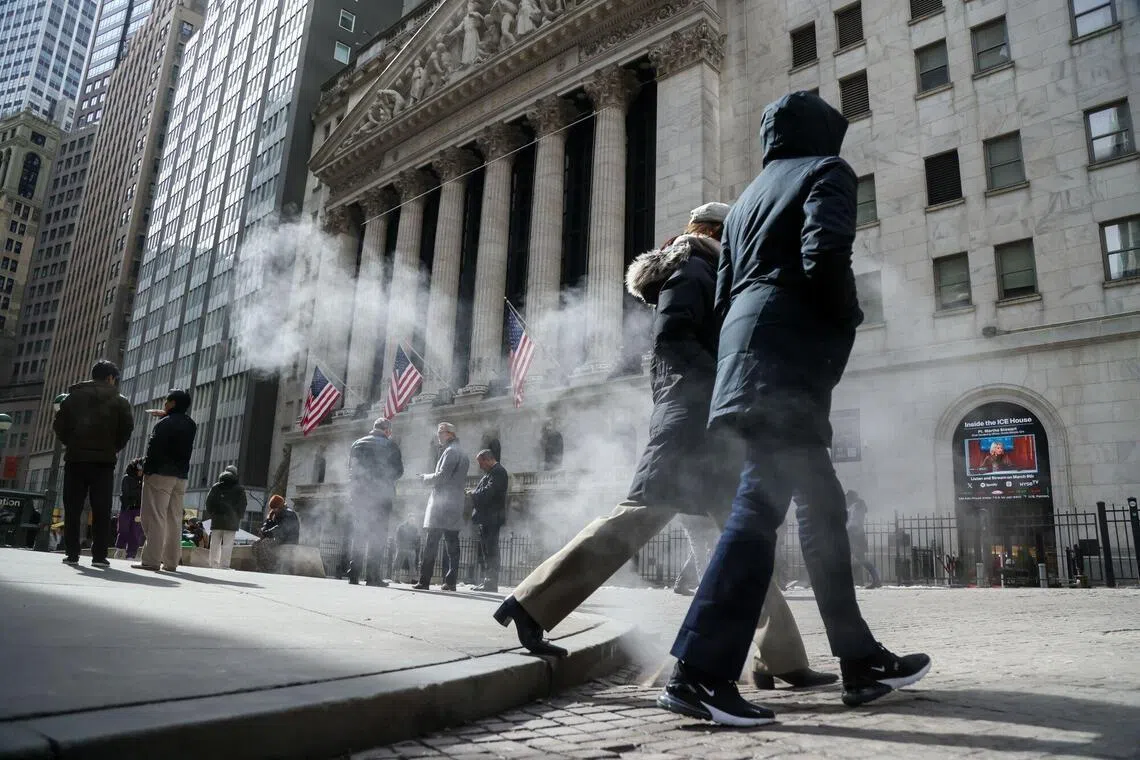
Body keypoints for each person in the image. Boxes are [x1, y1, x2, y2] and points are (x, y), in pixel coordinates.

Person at [660, 92, 930, 726]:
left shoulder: (747, 198)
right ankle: (698, 672)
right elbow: (826, 252)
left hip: (748, 357)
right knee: (758, 509)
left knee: (823, 506)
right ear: (821, 133)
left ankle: (859, 660)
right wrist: (846, 316)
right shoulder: (826, 170)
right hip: (786, 361)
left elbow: (725, 295)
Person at [495, 202, 835, 692]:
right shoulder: (691, 267)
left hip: (709, 420)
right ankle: (530, 604)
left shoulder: (707, 271)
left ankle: (780, 656)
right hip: (690, 422)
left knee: (746, 538)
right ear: (716, 232)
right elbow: (673, 340)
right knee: (638, 518)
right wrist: (726, 381)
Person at [52, 359, 135, 567]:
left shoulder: (73, 397)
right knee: (102, 508)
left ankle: (72, 554)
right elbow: (126, 429)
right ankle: (99, 556)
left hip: (76, 459)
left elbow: (59, 425)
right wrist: (113, 447)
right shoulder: (120, 401)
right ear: (110, 378)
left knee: (72, 508)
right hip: (103, 462)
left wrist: (72, 443)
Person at [133, 389, 197, 572]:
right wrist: (167, 416)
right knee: (174, 519)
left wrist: (145, 470)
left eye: (167, 401)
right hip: (180, 476)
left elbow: (154, 450)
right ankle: (171, 562)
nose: (164, 403)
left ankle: (151, 560)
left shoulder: (164, 424)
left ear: (173, 403)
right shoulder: (191, 424)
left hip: (159, 475)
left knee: (155, 516)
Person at [346, 418, 404, 586]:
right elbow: (398, 471)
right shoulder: (391, 445)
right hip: (381, 496)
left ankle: (353, 573)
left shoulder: (357, 443)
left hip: (359, 495)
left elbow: (351, 468)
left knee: (359, 533)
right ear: (387, 430)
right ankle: (372, 577)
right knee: (378, 535)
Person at [414, 422, 469, 591]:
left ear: (450, 434)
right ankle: (451, 582)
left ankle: (424, 581)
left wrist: (425, 477)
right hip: (455, 503)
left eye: (441, 432)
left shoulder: (451, 451)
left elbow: (442, 476)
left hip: (442, 504)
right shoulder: (462, 452)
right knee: (452, 545)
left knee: (431, 543)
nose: (438, 436)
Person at [468, 449, 508, 592]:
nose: (480, 466)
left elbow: (489, 492)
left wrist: (473, 493)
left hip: (492, 517)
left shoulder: (498, 472)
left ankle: (491, 583)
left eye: (481, 463)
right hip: (487, 518)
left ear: (488, 459)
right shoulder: (492, 472)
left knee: (491, 551)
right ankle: (487, 581)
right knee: (486, 551)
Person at [204, 465, 247, 569]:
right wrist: (238, 516)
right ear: (235, 474)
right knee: (228, 544)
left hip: (217, 519)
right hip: (232, 521)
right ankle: (224, 565)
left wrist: (212, 513)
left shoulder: (216, 487)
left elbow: (208, 502)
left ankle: (213, 564)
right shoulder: (239, 489)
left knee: (215, 543)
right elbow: (243, 504)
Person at [253, 494, 301, 573]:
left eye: (275, 508)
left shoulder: (289, 514)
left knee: (265, 543)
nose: (274, 510)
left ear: (280, 506)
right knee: (256, 544)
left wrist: (267, 533)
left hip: (288, 539)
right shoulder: (273, 514)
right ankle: (261, 567)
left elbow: (281, 529)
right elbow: (267, 524)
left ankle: (272, 567)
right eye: (272, 508)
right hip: (278, 537)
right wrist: (263, 531)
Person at [846, 490, 881, 589]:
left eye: (847, 498)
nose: (846, 500)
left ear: (851, 498)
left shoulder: (855, 507)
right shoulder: (857, 506)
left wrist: (849, 531)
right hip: (856, 534)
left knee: (860, 558)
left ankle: (876, 580)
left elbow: (854, 522)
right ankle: (875, 579)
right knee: (859, 558)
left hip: (854, 535)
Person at [115, 457, 145, 560]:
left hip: (138, 510)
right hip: (127, 509)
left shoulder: (144, 480)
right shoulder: (127, 478)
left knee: (135, 532)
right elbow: (126, 494)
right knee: (123, 529)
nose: (141, 472)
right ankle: (120, 549)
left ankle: (131, 554)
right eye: (140, 470)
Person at [393, 515, 421, 582]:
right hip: (402, 548)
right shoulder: (401, 527)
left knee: (412, 564)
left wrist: (415, 546)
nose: (412, 521)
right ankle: (397, 578)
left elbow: (417, 538)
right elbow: (397, 537)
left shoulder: (415, 528)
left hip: (411, 548)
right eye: (411, 520)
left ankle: (413, 579)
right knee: (399, 563)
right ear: (408, 519)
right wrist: (399, 546)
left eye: (413, 520)